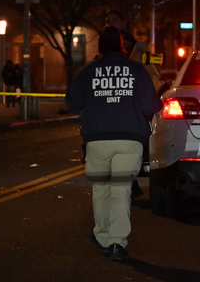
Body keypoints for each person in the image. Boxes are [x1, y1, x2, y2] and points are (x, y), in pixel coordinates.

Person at [65, 26, 163, 261]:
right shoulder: (136, 70)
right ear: (123, 47)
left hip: (97, 140)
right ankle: (117, 243)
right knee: (121, 190)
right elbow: (151, 106)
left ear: (99, 47)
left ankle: (103, 236)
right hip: (129, 139)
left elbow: (72, 102)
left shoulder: (89, 70)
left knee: (101, 190)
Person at [104, 10, 145, 200]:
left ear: (122, 22)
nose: (110, 23)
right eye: (108, 21)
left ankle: (131, 181)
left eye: (114, 20)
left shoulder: (129, 43)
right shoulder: (104, 40)